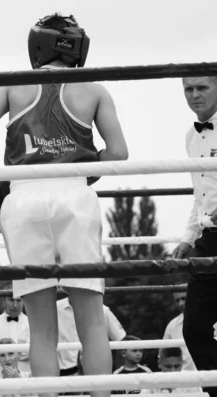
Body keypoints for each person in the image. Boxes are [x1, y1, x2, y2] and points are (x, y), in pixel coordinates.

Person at [0, 13, 128, 397]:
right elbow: (119, 152)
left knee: (41, 326)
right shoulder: (94, 90)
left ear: (38, 45)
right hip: (75, 196)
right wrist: (76, 171)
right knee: (90, 317)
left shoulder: (13, 85)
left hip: (22, 200)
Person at [172, 75, 217, 397]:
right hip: (210, 237)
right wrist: (188, 237)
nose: (194, 94)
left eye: (202, 87)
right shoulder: (191, 135)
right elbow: (200, 195)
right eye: (189, 88)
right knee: (195, 329)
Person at [57, 293, 126, 376]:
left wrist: (120, 371)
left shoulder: (103, 310)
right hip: (63, 372)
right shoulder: (54, 308)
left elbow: (121, 340)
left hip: (94, 371)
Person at [0, 292, 30, 374]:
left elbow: (34, 350)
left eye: (18, 301)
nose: (15, 305)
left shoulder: (32, 324)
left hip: (25, 377)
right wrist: (18, 347)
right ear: (3, 300)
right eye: (11, 300)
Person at [162, 290, 196, 371]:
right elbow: (163, 355)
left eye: (184, 299)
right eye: (177, 300)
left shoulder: (212, 321)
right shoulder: (172, 325)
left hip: (210, 377)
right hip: (182, 379)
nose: (180, 303)